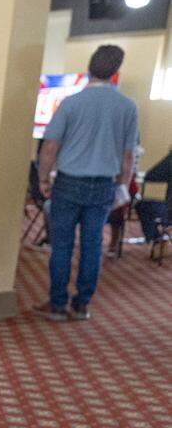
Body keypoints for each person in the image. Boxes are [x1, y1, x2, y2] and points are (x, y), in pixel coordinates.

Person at [35, 44, 138, 321]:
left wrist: (43, 178)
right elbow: (128, 156)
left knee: (62, 246)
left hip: (69, 182)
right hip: (104, 184)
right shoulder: (128, 107)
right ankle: (82, 305)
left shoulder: (71, 103)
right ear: (116, 72)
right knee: (92, 246)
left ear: (89, 68)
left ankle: (57, 304)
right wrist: (122, 185)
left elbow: (50, 146)